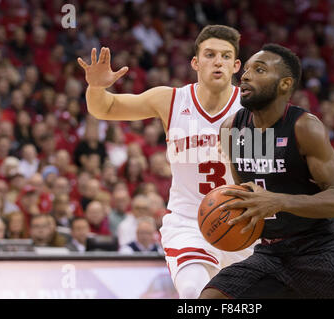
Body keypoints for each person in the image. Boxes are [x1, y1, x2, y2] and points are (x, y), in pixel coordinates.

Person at [78, 25, 253, 298]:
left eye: (226, 56)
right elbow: (105, 108)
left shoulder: (254, 106)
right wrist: (96, 87)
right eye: (209, 55)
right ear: (195, 62)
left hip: (245, 224)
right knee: (194, 292)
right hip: (190, 222)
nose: (218, 61)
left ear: (236, 65)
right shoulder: (171, 99)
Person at [199, 44, 334, 299]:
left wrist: (278, 201)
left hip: (318, 248)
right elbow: (245, 194)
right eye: (247, 69)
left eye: (259, 70)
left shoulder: (305, 127)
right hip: (270, 254)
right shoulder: (232, 129)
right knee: (210, 299)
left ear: (285, 84)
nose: (246, 75)